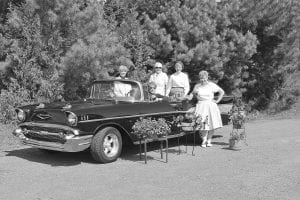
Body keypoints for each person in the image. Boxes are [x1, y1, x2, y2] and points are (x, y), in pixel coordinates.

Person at [184, 70, 224, 147]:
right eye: (201, 78)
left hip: (211, 106)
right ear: (200, 78)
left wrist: (217, 100)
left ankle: (209, 140)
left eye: (204, 78)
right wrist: (188, 97)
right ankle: (204, 140)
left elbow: (221, 92)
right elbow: (191, 94)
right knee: (202, 124)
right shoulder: (197, 86)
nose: (203, 80)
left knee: (212, 124)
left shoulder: (211, 85)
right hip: (201, 106)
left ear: (207, 77)